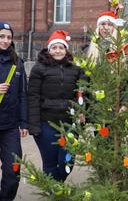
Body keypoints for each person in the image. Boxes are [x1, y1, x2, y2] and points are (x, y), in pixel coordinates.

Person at [28, 30, 86, 182]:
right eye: (54, 47)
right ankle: (54, 192)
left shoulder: (76, 69)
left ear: (66, 49)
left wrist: (81, 111)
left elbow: (81, 93)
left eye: (61, 47)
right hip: (46, 122)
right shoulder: (39, 68)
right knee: (50, 162)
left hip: (69, 123)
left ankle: (56, 185)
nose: (58, 50)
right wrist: (33, 126)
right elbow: (33, 97)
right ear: (49, 50)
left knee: (67, 160)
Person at [0, 22, 28, 200]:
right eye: (1, 36)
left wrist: (24, 123)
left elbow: (23, 95)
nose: (5, 40)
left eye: (9, 37)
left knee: (13, 170)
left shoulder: (18, 63)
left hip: (10, 127)